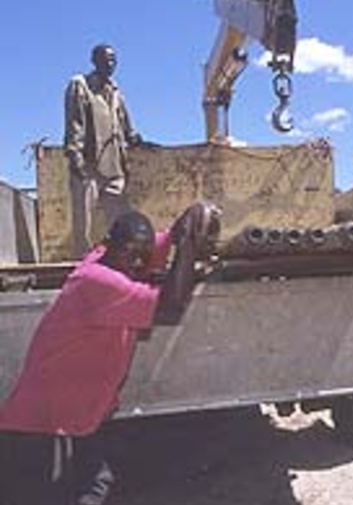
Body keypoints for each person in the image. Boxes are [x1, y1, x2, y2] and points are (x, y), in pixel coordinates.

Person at [0, 202, 220, 505]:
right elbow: (170, 307)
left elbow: (151, 245)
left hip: (77, 418)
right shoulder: (97, 281)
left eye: (141, 255)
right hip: (42, 425)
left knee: (95, 486)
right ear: (108, 246)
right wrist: (187, 247)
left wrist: (179, 228)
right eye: (129, 252)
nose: (137, 262)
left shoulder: (116, 258)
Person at [65, 43, 145, 257]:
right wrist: (75, 155)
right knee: (84, 221)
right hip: (88, 164)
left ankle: (119, 260)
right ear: (94, 61)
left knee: (120, 219)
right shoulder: (80, 85)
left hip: (114, 167)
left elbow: (128, 127)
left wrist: (135, 138)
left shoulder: (116, 92)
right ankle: (83, 264)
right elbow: (74, 122)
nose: (110, 64)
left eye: (113, 60)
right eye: (105, 59)